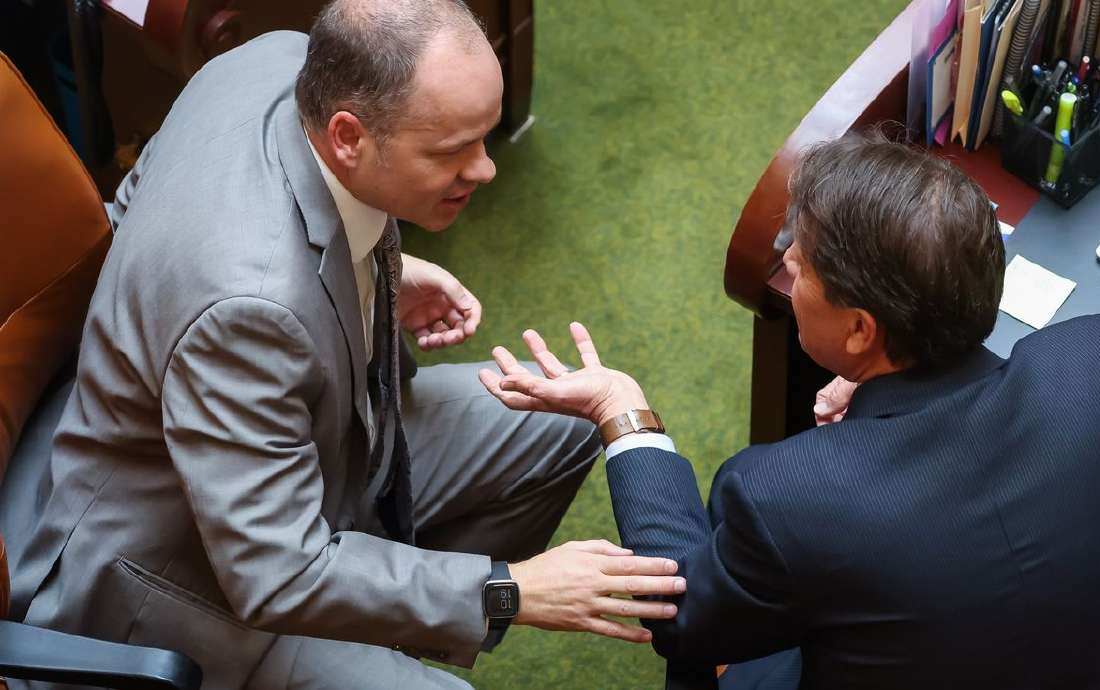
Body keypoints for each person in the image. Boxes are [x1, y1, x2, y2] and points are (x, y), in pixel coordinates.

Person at [9, 1, 685, 688]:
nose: (485, 171)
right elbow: (276, 573)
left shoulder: (273, 58)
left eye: (482, 138)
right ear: (348, 137)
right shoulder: (249, 311)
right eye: (453, 150)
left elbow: (132, 209)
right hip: (187, 573)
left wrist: (374, 269)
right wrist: (507, 591)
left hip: (304, 452)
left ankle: (388, 628)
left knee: (559, 428)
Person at [480, 133, 1100, 689]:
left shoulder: (786, 495)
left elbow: (682, 614)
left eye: (800, 264)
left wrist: (623, 408)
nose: (788, 270)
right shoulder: (1096, 364)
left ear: (862, 330)